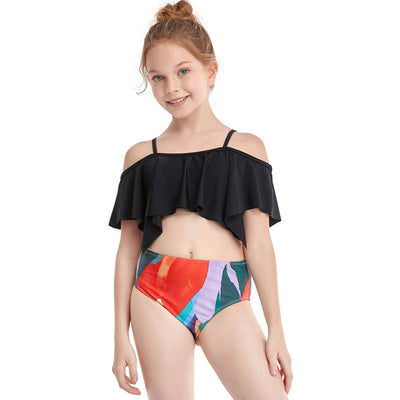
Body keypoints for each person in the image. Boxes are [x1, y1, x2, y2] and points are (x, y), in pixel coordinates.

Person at [108, 1, 293, 398]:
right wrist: (120, 336)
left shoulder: (246, 150)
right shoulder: (141, 157)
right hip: (155, 292)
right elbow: (127, 250)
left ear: (210, 71)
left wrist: (276, 328)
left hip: (224, 290)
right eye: (158, 77)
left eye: (183, 71)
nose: (171, 88)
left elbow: (260, 243)